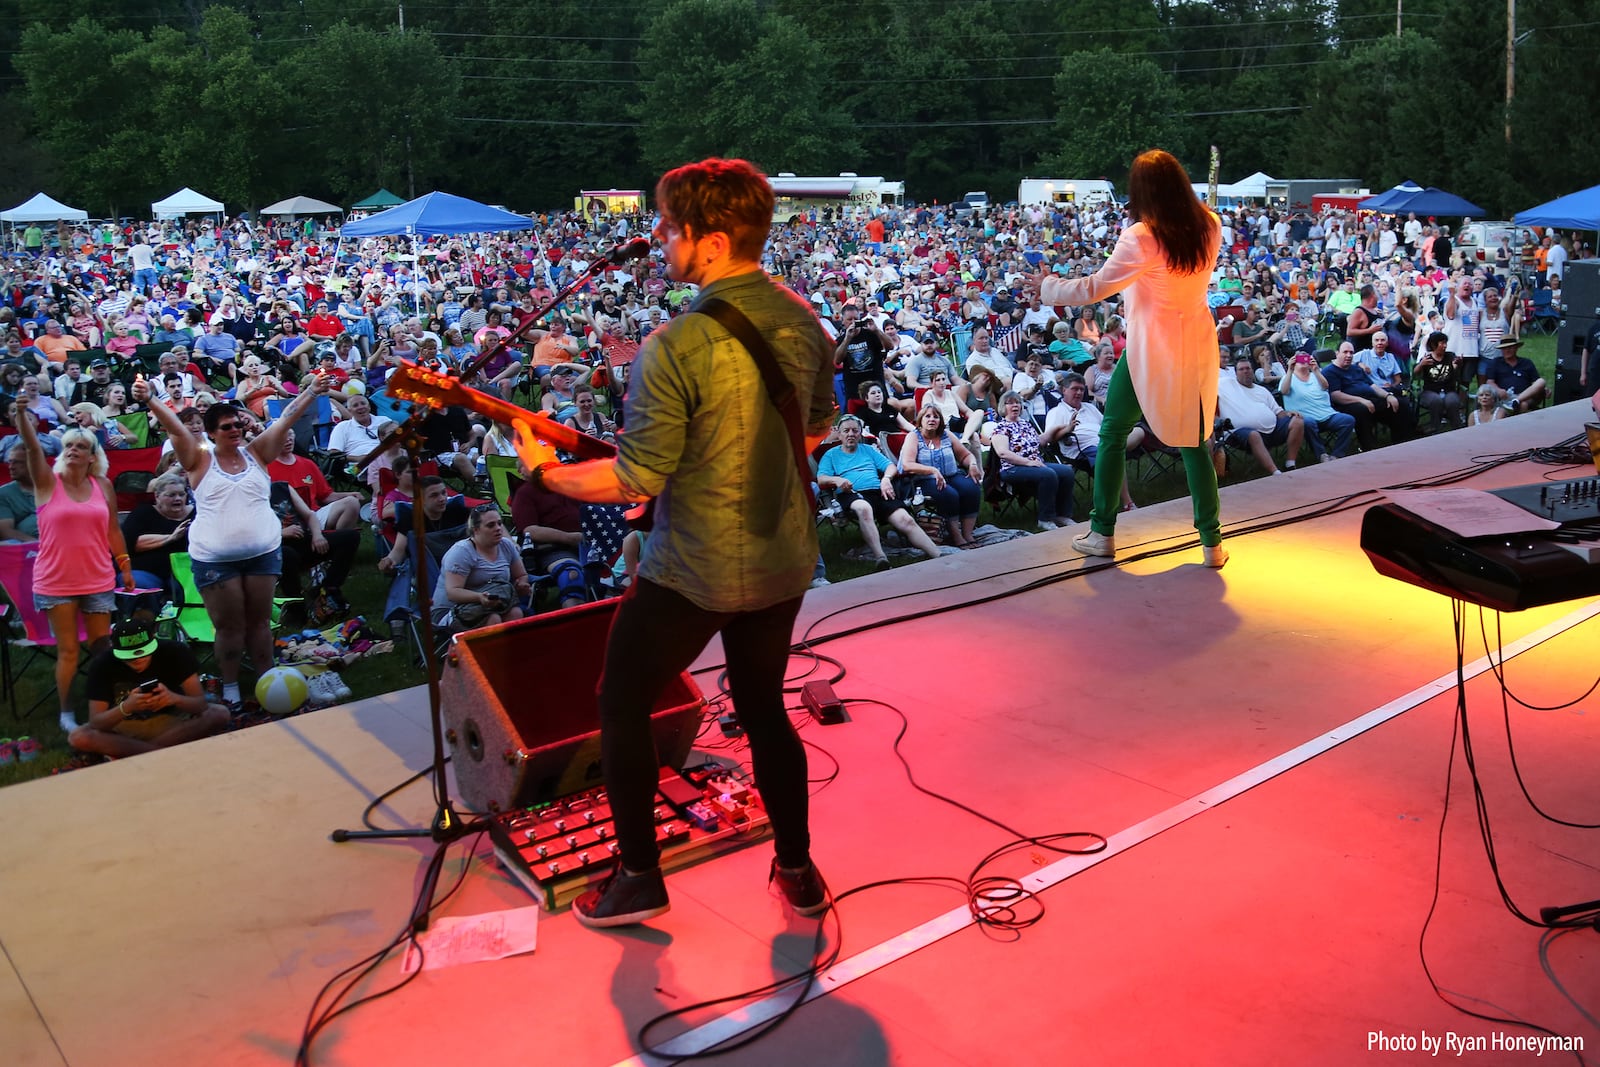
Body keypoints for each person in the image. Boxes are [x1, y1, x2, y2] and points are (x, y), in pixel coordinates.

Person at [533, 158, 835, 928]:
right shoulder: (804, 321)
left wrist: (549, 474)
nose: (660, 238)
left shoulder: (675, 344)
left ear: (711, 240)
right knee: (763, 705)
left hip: (695, 565)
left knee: (622, 699)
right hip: (782, 553)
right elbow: (817, 428)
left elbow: (637, 478)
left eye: (670, 226)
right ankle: (797, 869)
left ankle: (639, 875)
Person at [1035, 149, 1228, 567]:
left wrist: (1047, 286)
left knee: (1113, 433)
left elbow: (1093, 288)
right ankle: (1212, 544)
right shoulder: (1210, 224)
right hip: (1194, 344)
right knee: (1195, 442)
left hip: (1150, 350)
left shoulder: (1142, 236)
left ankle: (1102, 532)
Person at [136, 373, 329, 709]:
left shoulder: (256, 453)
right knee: (229, 627)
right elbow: (177, 431)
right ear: (211, 433)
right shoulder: (199, 459)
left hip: (263, 553)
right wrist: (150, 399)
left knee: (259, 622)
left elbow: (285, 420)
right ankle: (230, 688)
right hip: (215, 559)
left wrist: (312, 390)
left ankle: (268, 679)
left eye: (238, 424)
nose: (236, 430)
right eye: (226, 427)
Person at [12, 408, 134, 734]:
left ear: (93, 457)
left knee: (101, 646)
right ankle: (66, 712)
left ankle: (103, 705)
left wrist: (125, 565)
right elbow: (33, 446)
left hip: (98, 577)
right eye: (68, 445)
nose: (71, 450)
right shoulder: (46, 482)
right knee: (67, 650)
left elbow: (112, 530)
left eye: (80, 446)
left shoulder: (103, 485)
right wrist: (24, 415)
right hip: (56, 580)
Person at [69, 618, 229, 758]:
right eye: (130, 657)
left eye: (143, 654)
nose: (138, 660)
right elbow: (96, 721)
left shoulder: (175, 652)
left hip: (172, 722)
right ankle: (158, 752)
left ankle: (133, 753)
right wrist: (127, 707)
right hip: (123, 727)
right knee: (78, 736)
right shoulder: (103, 664)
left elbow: (200, 705)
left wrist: (173, 698)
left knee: (219, 713)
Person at [815, 413, 944, 566]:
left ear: (860, 433)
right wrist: (837, 480)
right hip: (851, 494)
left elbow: (890, 466)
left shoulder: (868, 450)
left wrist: (886, 479)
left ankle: (938, 555)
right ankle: (881, 558)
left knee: (906, 519)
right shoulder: (831, 455)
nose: (851, 434)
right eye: (846, 431)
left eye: (855, 431)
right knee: (864, 509)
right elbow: (821, 478)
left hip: (878, 491)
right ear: (840, 434)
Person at [432, 504, 530, 631]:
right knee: (493, 619)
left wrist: (522, 584)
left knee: (516, 613)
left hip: (493, 604)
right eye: (491, 525)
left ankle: (511, 650)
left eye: (499, 523)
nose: (498, 528)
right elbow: (453, 593)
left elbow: (521, 575)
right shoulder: (462, 552)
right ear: (476, 529)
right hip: (450, 611)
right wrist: (479, 597)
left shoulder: (506, 546)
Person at [898, 403, 984, 548]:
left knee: (971, 488)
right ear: (921, 419)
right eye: (928, 416)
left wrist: (973, 464)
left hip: (951, 475)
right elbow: (907, 464)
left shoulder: (946, 435)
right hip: (924, 480)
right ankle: (956, 536)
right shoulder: (914, 437)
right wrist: (932, 470)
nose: (932, 419)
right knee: (948, 494)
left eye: (936, 417)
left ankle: (968, 534)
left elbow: (965, 455)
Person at [990, 390, 1078, 529]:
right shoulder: (1001, 427)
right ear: (1003, 407)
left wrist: (1066, 428)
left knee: (1067, 471)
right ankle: (1045, 519)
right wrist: (1029, 463)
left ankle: (1063, 515)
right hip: (1012, 468)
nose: (1015, 406)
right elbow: (1003, 453)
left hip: (1035, 463)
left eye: (1018, 402)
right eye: (1010, 403)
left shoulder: (1025, 424)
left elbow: (1040, 441)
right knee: (1048, 474)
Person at [1215, 357, 1308, 474]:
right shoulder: (1224, 384)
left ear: (1252, 370)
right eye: (1241, 369)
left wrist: (1288, 414)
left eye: (1248, 368)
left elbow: (1278, 411)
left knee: (1297, 422)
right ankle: (1275, 472)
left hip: (1272, 431)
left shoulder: (1262, 390)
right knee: (1254, 435)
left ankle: (1290, 464)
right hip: (1238, 433)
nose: (1245, 371)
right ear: (1235, 372)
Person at [121, 470, 192, 595]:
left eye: (181, 494)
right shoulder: (143, 512)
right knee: (138, 583)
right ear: (157, 496)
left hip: (188, 571)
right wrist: (170, 538)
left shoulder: (197, 514)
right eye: (171, 495)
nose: (178, 498)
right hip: (147, 571)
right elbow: (128, 544)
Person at [1277, 353, 1354, 461]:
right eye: (1300, 359)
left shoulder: (1317, 375)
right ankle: (1322, 455)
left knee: (1348, 420)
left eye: (1306, 358)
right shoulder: (1288, 378)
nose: (1303, 361)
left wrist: (1316, 370)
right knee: (1308, 422)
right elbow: (1284, 391)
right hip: (1305, 418)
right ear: (1294, 362)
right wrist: (1290, 370)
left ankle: (1337, 454)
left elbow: (1325, 386)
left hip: (1327, 415)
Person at [0, 434, 60, 541]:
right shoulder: (3, 494)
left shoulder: (61, 487)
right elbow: (6, 532)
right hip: (28, 549)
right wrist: (40, 545)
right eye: (10, 462)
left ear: (35, 463)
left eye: (17, 463)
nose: (11, 467)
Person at [1413, 330, 1466, 431]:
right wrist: (1421, 364)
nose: (1445, 346)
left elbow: (1455, 368)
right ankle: (1434, 427)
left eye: (1445, 343)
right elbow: (1415, 374)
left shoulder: (1450, 356)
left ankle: (1457, 428)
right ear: (1433, 344)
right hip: (1430, 391)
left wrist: (1459, 363)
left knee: (1452, 401)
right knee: (1435, 401)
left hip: (1448, 390)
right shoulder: (1427, 358)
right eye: (1442, 343)